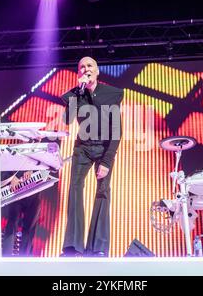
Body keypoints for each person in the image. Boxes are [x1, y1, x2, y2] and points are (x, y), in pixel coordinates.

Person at [60, 56, 124, 257]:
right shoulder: (74, 95)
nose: (85, 69)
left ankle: (98, 247)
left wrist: (107, 161)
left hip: (104, 148)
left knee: (103, 192)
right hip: (83, 148)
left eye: (89, 66)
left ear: (97, 71)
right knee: (75, 189)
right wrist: (77, 92)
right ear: (78, 73)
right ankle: (73, 246)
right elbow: (67, 120)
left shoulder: (112, 93)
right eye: (81, 67)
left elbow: (116, 130)